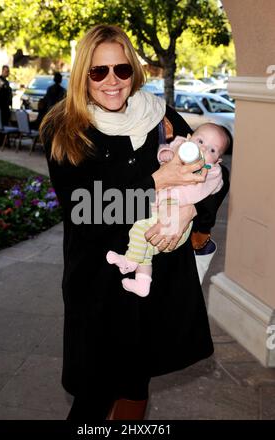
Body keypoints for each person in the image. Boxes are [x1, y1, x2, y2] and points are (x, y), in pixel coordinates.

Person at [40, 24, 230, 421]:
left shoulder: (159, 115)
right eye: (99, 72)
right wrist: (158, 182)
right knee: (93, 393)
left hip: (154, 281)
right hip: (99, 283)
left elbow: (213, 169)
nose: (112, 82)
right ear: (82, 75)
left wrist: (191, 211)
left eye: (121, 70)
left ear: (134, 72)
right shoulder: (65, 129)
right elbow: (85, 210)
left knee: (135, 383)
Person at [106, 122, 230, 296]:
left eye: (211, 150)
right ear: (189, 138)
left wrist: (192, 208)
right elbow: (167, 149)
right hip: (155, 209)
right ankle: (142, 282)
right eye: (200, 141)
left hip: (174, 224)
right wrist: (165, 155)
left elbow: (220, 186)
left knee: (140, 230)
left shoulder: (211, 171)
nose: (202, 149)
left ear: (217, 160)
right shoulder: (180, 148)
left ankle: (130, 261)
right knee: (146, 248)